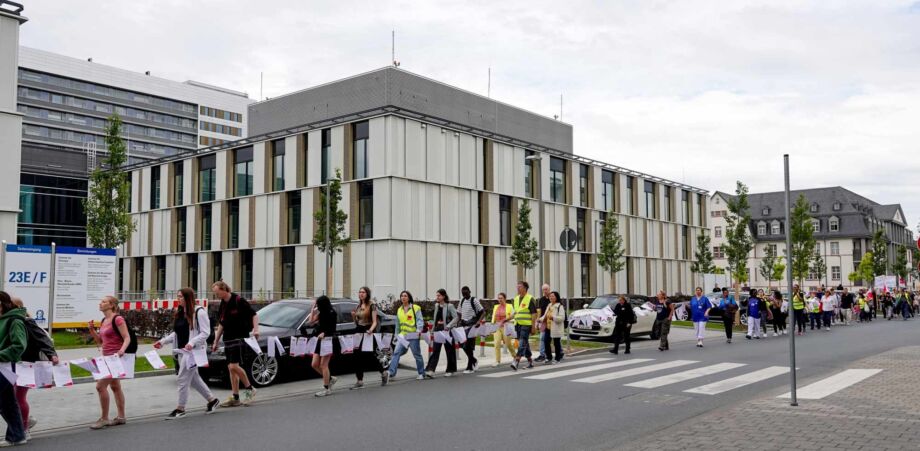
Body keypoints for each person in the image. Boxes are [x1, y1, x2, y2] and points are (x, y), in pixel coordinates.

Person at [153, 287, 220, 419]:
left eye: (181, 296)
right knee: (194, 379)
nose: (178, 299)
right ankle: (212, 400)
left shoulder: (199, 312)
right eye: (178, 296)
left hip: (192, 352)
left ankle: (180, 408)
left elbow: (205, 332)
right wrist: (163, 341)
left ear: (188, 298)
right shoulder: (181, 311)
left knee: (182, 378)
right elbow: (177, 332)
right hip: (181, 351)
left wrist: (192, 342)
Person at [10, 297, 57, 436]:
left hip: (26, 364)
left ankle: (24, 429)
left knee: (18, 397)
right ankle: (26, 420)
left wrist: (51, 354)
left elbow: (42, 338)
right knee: (11, 397)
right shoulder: (8, 321)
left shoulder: (26, 321)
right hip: (12, 364)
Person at [211, 281, 258, 407]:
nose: (216, 295)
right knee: (231, 369)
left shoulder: (239, 300)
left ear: (224, 289)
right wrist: (216, 341)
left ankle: (250, 389)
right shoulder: (223, 304)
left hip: (239, 338)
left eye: (217, 292)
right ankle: (235, 397)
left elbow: (254, 315)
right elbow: (222, 324)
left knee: (233, 366)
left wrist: (256, 330)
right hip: (228, 339)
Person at [87, 296, 130, 430]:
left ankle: (104, 419)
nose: (100, 303)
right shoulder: (104, 320)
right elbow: (101, 341)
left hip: (115, 358)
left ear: (111, 305)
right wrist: (92, 330)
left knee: (100, 386)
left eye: (104, 302)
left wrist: (122, 350)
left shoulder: (118, 319)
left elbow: (127, 337)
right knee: (115, 387)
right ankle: (121, 417)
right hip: (105, 358)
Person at [0, 292, 27, 446]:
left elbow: (19, 345)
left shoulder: (15, 320)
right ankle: (17, 436)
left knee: (7, 403)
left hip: (6, 367)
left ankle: (17, 434)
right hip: (3, 366)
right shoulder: (3, 319)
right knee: (7, 403)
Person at [351, 287, 388, 389]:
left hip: (368, 331)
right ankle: (359, 380)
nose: (361, 294)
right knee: (356, 356)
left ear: (367, 294)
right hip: (359, 331)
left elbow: (375, 321)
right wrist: (353, 316)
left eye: (363, 292)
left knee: (369, 355)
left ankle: (383, 372)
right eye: (360, 292)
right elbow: (356, 322)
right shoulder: (358, 306)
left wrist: (371, 330)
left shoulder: (372, 305)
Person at [387, 291, 426, 380]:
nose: (403, 297)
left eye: (405, 296)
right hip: (403, 336)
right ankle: (391, 373)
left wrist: (418, 330)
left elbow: (420, 320)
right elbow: (398, 324)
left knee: (416, 354)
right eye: (401, 296)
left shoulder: (415, 308)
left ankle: (421, 373)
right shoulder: (399, 309)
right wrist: (396, 335)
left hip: (413, 335)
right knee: (396, 353)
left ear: (409, 298)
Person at [425, 289, 458, 378]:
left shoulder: (449, 306)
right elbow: (435, 318)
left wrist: (449, 326)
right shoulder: (437, 305)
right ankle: (430, 370)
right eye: (437, 295)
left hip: (447, 330)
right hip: (438, 330)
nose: (437, 297)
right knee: (435, 350)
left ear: (443, 296)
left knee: (449, 350)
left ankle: (450, 370)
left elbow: (456, 317)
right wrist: (432, 330)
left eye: (439, 295)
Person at [310, 295, 339, 397]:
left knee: (323, 365)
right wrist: (312, 309)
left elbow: (332, 328)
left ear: (323, 304)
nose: (317, 306)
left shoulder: (332, 313)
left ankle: (326, 388)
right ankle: (330, 379)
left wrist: (324, 333)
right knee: (314, 364)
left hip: (328, 340)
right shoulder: (321, 313)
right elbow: (311, 321)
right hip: (319, 340)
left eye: (318, 304)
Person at [510, 281, 537, 371]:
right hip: (517, 324)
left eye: (520, 287)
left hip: (526, 324)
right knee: (525, 343)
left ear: (525, 288)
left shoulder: (530, 298)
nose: (518, 288)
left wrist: (533, 326)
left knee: (522, 342)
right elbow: (515, 312)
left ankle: (516, 360)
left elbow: (534, 313)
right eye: (517, 287)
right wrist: (506, 319)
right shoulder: (516, 299)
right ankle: (530, 361)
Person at [458, 286, 485, 374]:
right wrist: (458, 321)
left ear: (469, 292)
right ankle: (474, 360)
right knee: (463, 345)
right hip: (463, 326)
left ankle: (469, 367)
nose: (465, 295)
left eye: (466, 293)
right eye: (463, 294)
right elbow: (459, 312)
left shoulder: (474, 300)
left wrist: (478, 321)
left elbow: (483, 312)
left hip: (472, 326)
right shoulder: (462, 301)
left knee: (468, 346)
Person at [539, 291, 566, 363]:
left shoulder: (560, 306)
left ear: (556, 297)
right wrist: (540, 319)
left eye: (553, 296)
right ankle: (549, 357)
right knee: (546, 342)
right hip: (548, 327)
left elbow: (562, 318)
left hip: (556, 328)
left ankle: (557, 358)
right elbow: (545, 315)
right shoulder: (549, 305)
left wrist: (553, 317)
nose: (551, 297)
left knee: (556, 343)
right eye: (550, 296)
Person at [491, 293, 516, 364]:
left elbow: (513, 315)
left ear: (505, 299)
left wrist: (509, 321)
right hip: (497, 327)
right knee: (497, 343)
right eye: (499, 298)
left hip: (506, 327)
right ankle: (497, 360)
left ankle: (515, 357)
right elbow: (493, 316)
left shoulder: (509, 306)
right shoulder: (496, 306)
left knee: (508, 344)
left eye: (501, 298)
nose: (500, 300)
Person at [535, 284, 551, 363]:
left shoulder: (552, 298)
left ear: (549, 289)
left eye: (546, 289)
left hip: (551, 321)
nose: (545, 291)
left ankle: (560, 351)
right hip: (543, 321)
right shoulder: (541, 299)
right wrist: (538, 320)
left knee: (555, 338)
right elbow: (539, 310)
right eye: (543, 290)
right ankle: (542, 354)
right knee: (542, 338)